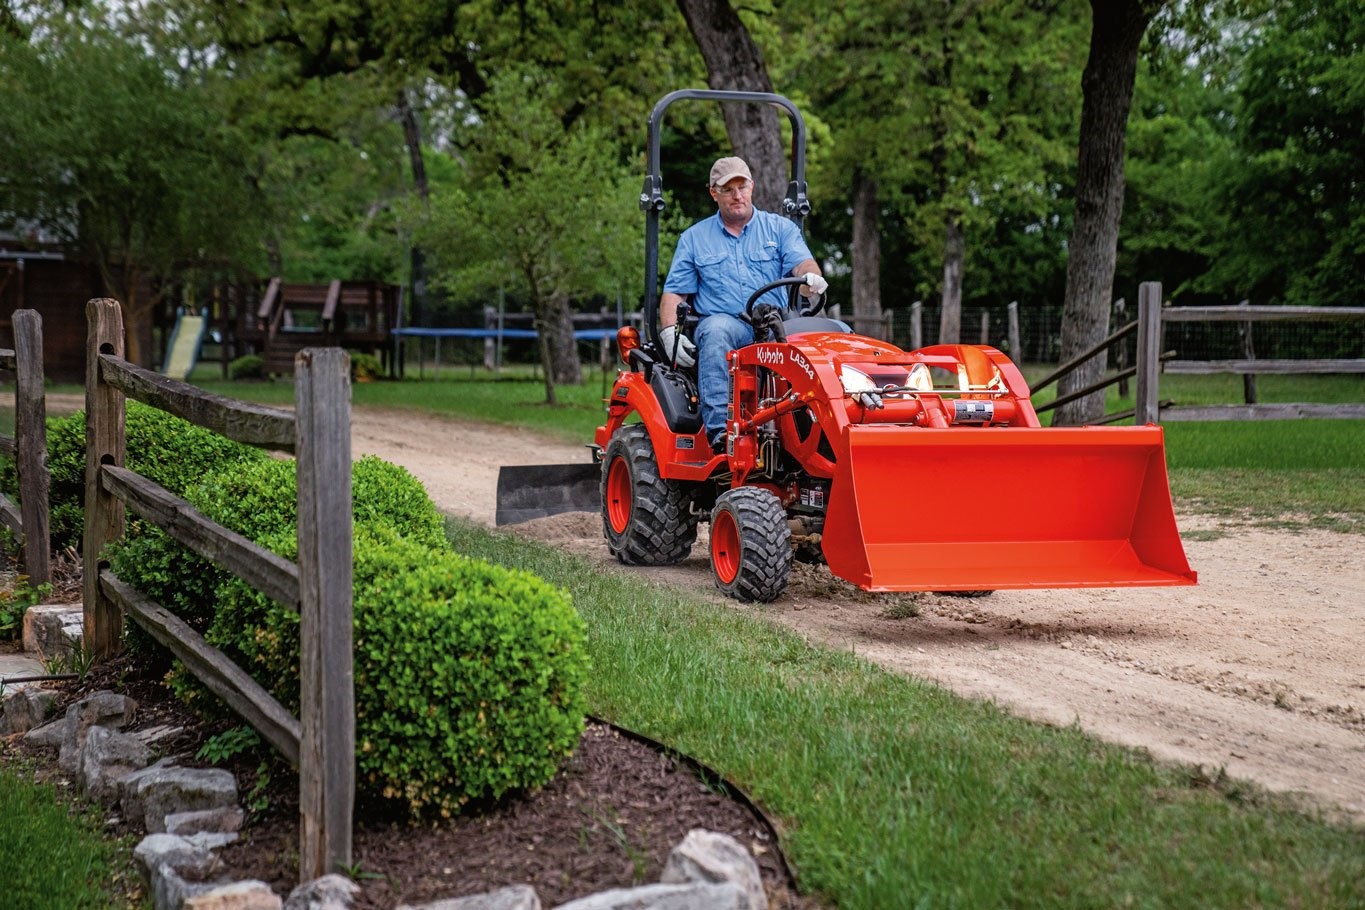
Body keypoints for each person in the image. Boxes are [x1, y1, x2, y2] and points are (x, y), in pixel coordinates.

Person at [659, 156, 827, 453]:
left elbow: (803, 263)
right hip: (729, 325)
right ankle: (723, 435)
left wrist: (811, 277)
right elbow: (675, 293)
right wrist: (670, 331)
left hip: (776, 324)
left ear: (752, 187)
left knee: (836, 333)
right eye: (728, 189)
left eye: (742, 186)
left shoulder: (780, 230)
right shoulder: (695, 239)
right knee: (716, 330)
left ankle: (833, 429)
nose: (737, 195)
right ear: (713, 193)